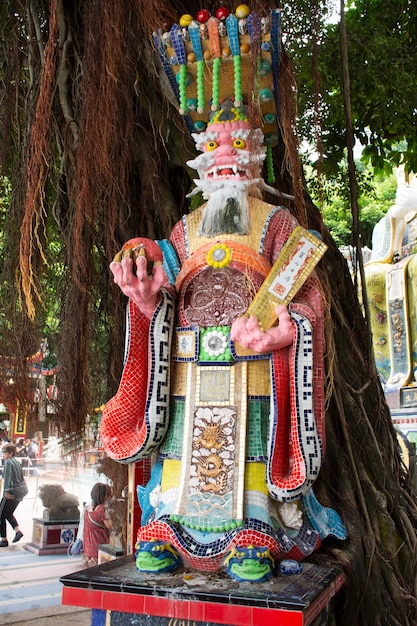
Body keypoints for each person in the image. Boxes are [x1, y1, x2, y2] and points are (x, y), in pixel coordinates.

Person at [100, 9, 346, 581]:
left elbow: (309, 301)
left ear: (258, 151)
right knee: (184, 449)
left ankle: (256, 530)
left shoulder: (279, 226)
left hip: (254, 367)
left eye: (240, 141)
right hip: (187, 366)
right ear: (202, 160)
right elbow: (157, 289)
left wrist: (290, 330)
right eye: (217, 144)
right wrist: (146, 299)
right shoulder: (184, 231)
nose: (228, 152)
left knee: (251, 450)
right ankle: (167, 526)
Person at [82, 482, 112, 567]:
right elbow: (109, 526)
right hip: (98, 542)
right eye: (109, 494)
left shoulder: (88, 508)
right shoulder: (101, 509)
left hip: (88, 544)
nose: (110, 497)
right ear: (103, 496)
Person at [0, 443, 24, 547]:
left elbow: (7, 479)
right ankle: (18, 531)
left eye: (4, 452)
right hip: (18, 493)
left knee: (1, 515)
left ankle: (4, 539)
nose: (3, 454)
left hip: (10, 493)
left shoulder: (9, 462)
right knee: (8, 514)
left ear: (10, 453)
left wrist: (7, 492)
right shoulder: (17, 462)